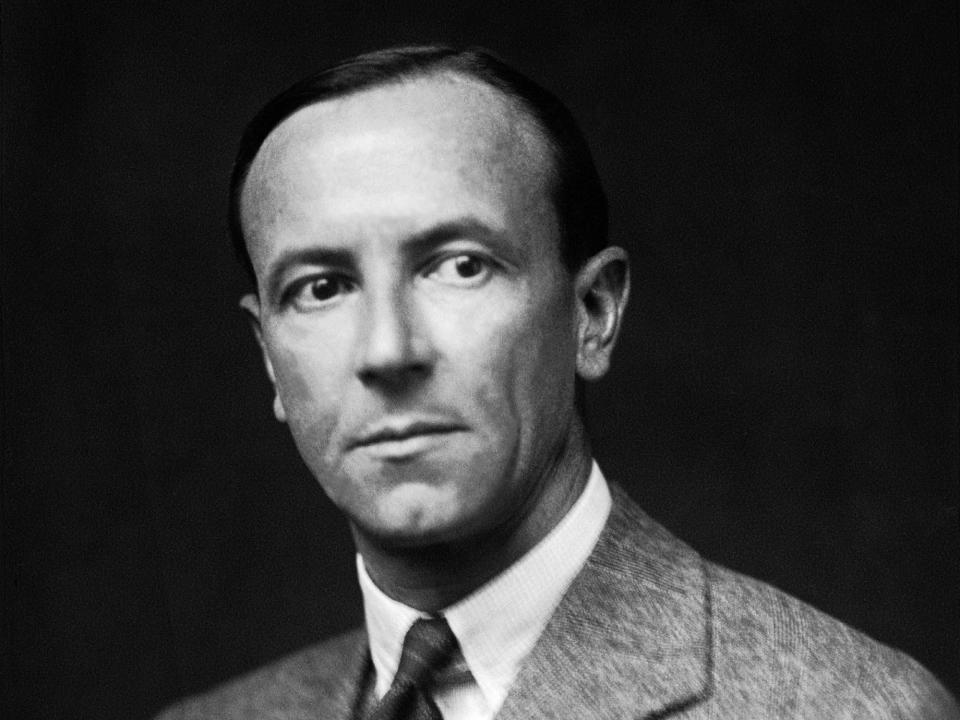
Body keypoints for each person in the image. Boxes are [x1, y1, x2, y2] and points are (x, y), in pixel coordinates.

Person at [157, 45, 958, 719]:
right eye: (322, 287)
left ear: (593, 312)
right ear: (268, 356)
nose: (387, 350)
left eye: (459, 266)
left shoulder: (848, 707)